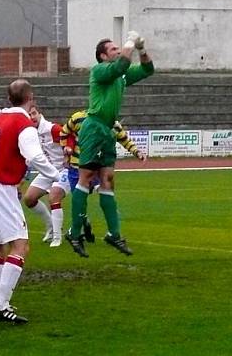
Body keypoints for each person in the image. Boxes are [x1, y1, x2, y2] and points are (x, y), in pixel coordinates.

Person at [0, 79, 59, 324]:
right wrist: (55, 175)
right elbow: (34, 156)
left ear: (9, 98)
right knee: (20, 245)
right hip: (0, 186)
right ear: (30, 97)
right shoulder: (24, 123)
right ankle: (0, 307)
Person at [64, 31, 154, 258]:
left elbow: (147, 70)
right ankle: (75, 232)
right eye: (113, 49)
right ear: (103, 56)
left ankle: (114, 234)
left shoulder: (119, 76)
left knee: (108, 180)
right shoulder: (101, 71)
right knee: (85, 178)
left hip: (107, 130)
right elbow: (120, 66)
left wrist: (142, 49)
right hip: (93, 127)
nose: (118, 51)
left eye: (117, 48)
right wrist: (130, 43)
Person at [59, 109, 147, 248]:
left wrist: (136, 151)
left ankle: (110, 221)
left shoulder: (111, 122)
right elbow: (64, 132)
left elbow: (123, 138)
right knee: (80, 199)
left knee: (105, 186)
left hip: (95, 167)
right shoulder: (78, 118)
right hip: (76, 167)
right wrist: (66, 150)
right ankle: (83, 224)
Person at [19, 105, 67, 247]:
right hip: (47, 171)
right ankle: (51, 226)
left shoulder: (53, 129)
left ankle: (57, 238)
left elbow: (71, 141)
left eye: (34, 113)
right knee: (29, 199)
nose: (32, 117)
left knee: (54, 196)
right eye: (29, 115)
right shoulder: (29, 133)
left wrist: (69, 159)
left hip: (64, 170)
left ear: (40, 114)